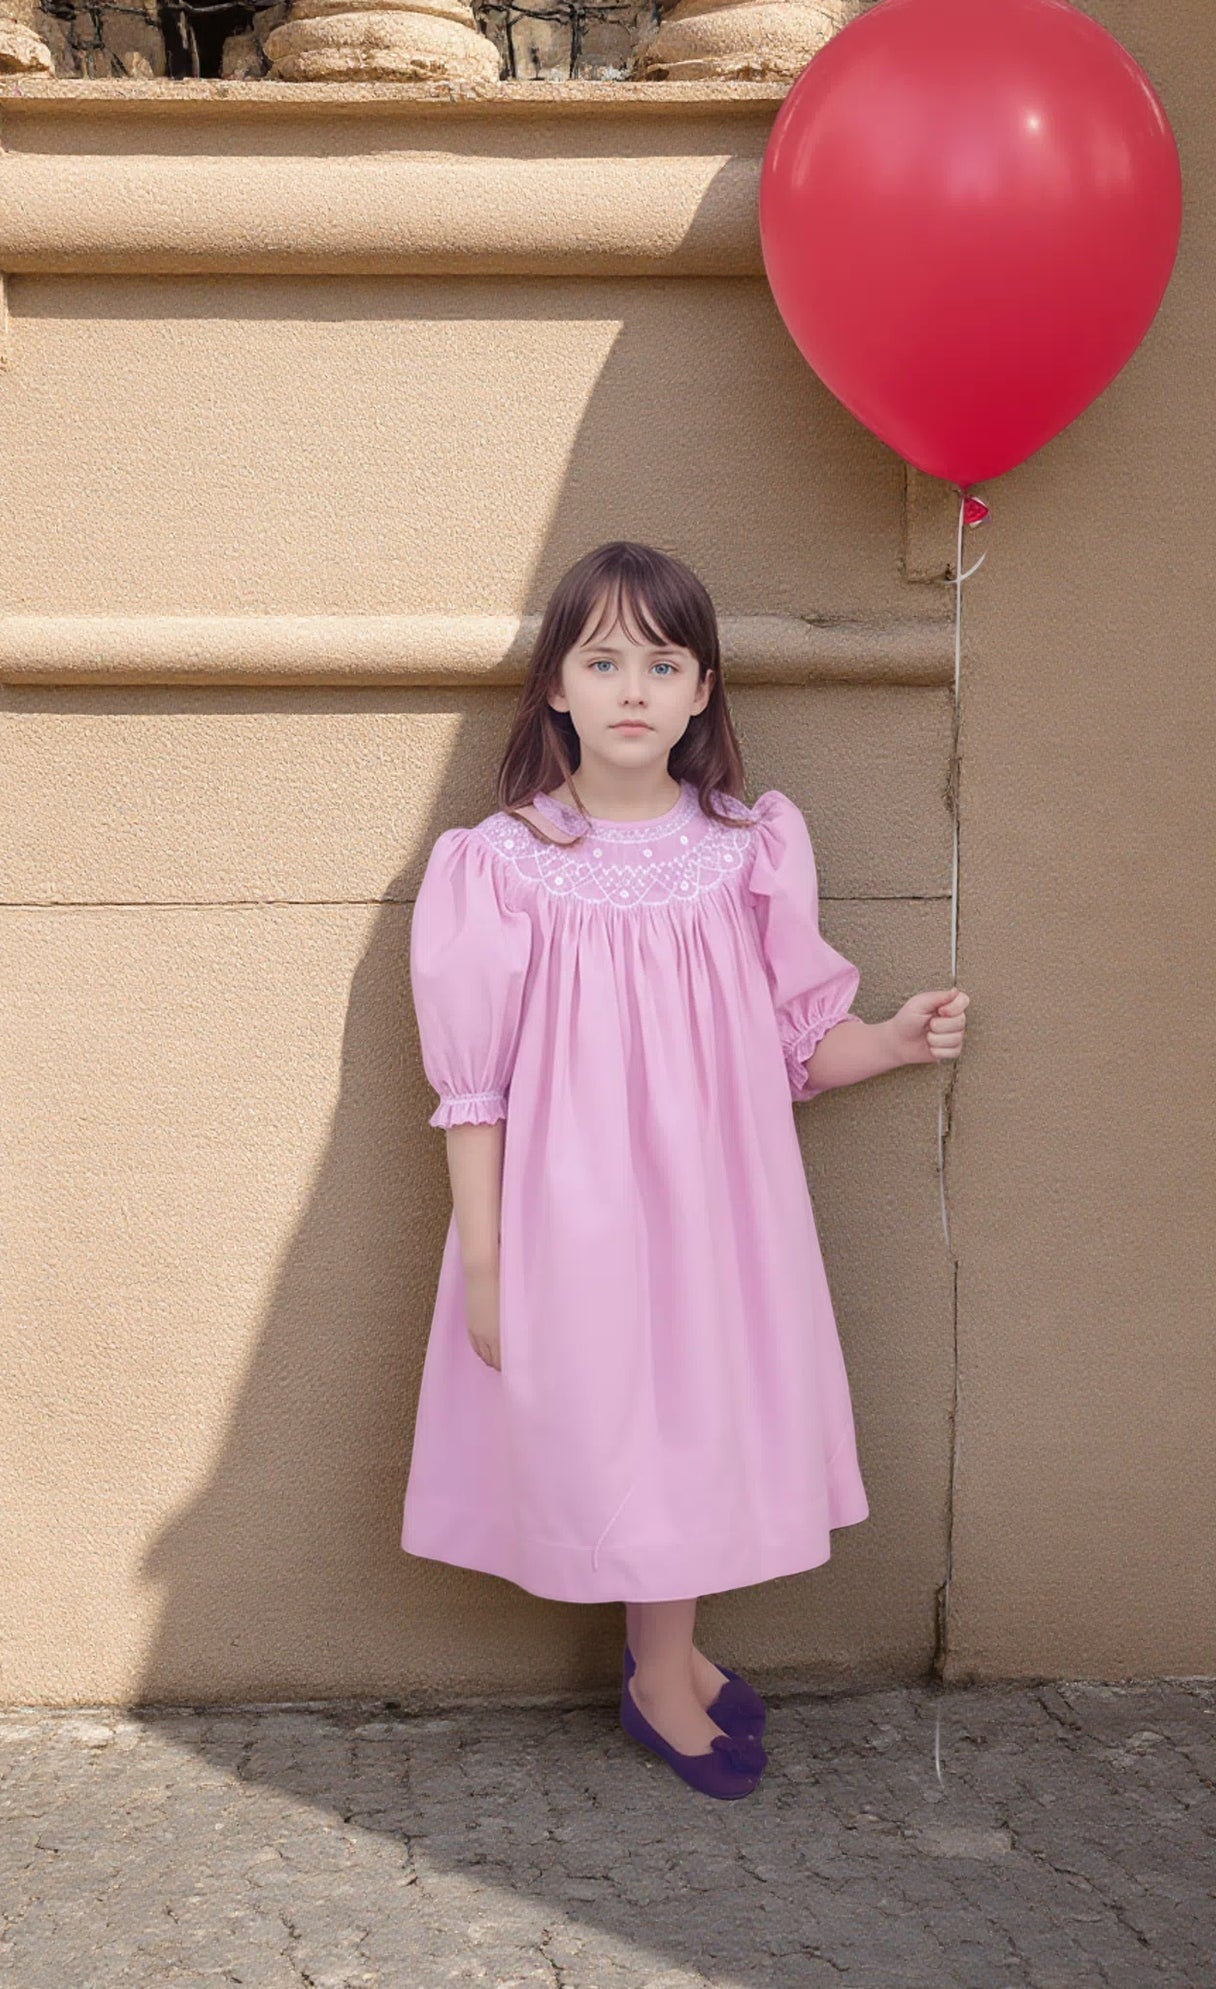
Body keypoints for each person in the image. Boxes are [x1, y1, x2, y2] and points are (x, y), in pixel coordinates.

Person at [403, 541, 969, 1800]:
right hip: (573, 1209)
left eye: (661, 664)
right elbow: (473, 1088)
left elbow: (789, 1050)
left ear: (701, 690)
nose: (630, 690)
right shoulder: (499, 866)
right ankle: (661, 1672)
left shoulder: (744, 846)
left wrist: (887, 1038)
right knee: (618, 1423)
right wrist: (487, 1259)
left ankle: (669, 1657)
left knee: (690, 1420)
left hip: (717, 1205)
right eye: (601, 661)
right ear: (554, 685)